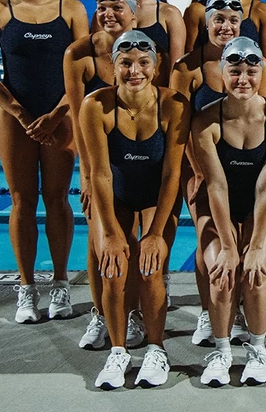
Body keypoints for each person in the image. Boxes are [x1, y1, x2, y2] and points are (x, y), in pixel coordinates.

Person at [0, 0, 89, 324]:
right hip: (14, 119)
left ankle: (60, 283)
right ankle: (26, 288)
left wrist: (57, 114)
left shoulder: (71, 9)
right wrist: (22, 115)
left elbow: (84, 71)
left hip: (61, 117)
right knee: (22, 200)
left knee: (58, 199)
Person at [78, 32, 191, 389]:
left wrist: (156, 233)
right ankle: (118, 349)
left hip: (158, 197)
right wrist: (110, 232)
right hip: (118, 197)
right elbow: (99, 173)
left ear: (156, 68)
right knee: (112, 268)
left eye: (143, 63)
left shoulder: (174, 105)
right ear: (113, 67)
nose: (134, 71)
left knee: (150, 267)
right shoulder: (95, 106)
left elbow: (173, 174)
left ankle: (156, 349)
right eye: (125, 63)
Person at [190, 37, 266, 386]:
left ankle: (258, 349)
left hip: (260, 204)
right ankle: (221, 351)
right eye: (235, 72)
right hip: (217, 203)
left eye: (251, 71)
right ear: (222, 74)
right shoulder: (206, 121)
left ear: (261, 72)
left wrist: (253, 246)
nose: (243, 79)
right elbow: (216, 185)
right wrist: (231, 247)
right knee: (222, 271)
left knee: (255, 270)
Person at [63, 0, 139, 348]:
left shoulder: (146, 51)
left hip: (136, 161)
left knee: (134, 241)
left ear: (133, 13)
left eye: (117, 7)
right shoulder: (78, 54)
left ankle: (134, 312)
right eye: (103, 8)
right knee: (99, 239)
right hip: (99, 161)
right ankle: (99, 314)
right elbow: (79, 120)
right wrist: (88, 175)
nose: (109, 14)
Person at [171, 0, 244, 347]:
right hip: (199, 167)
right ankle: (206, 311)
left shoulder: (248, 61)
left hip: (242, 167)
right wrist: (197, 169)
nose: (225, 26)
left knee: (240, 238)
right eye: (218, 20)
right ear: (206, 22)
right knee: (208, 239)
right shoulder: (187, 67)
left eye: (232, 20)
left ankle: (238, 308)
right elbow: (178, 126)